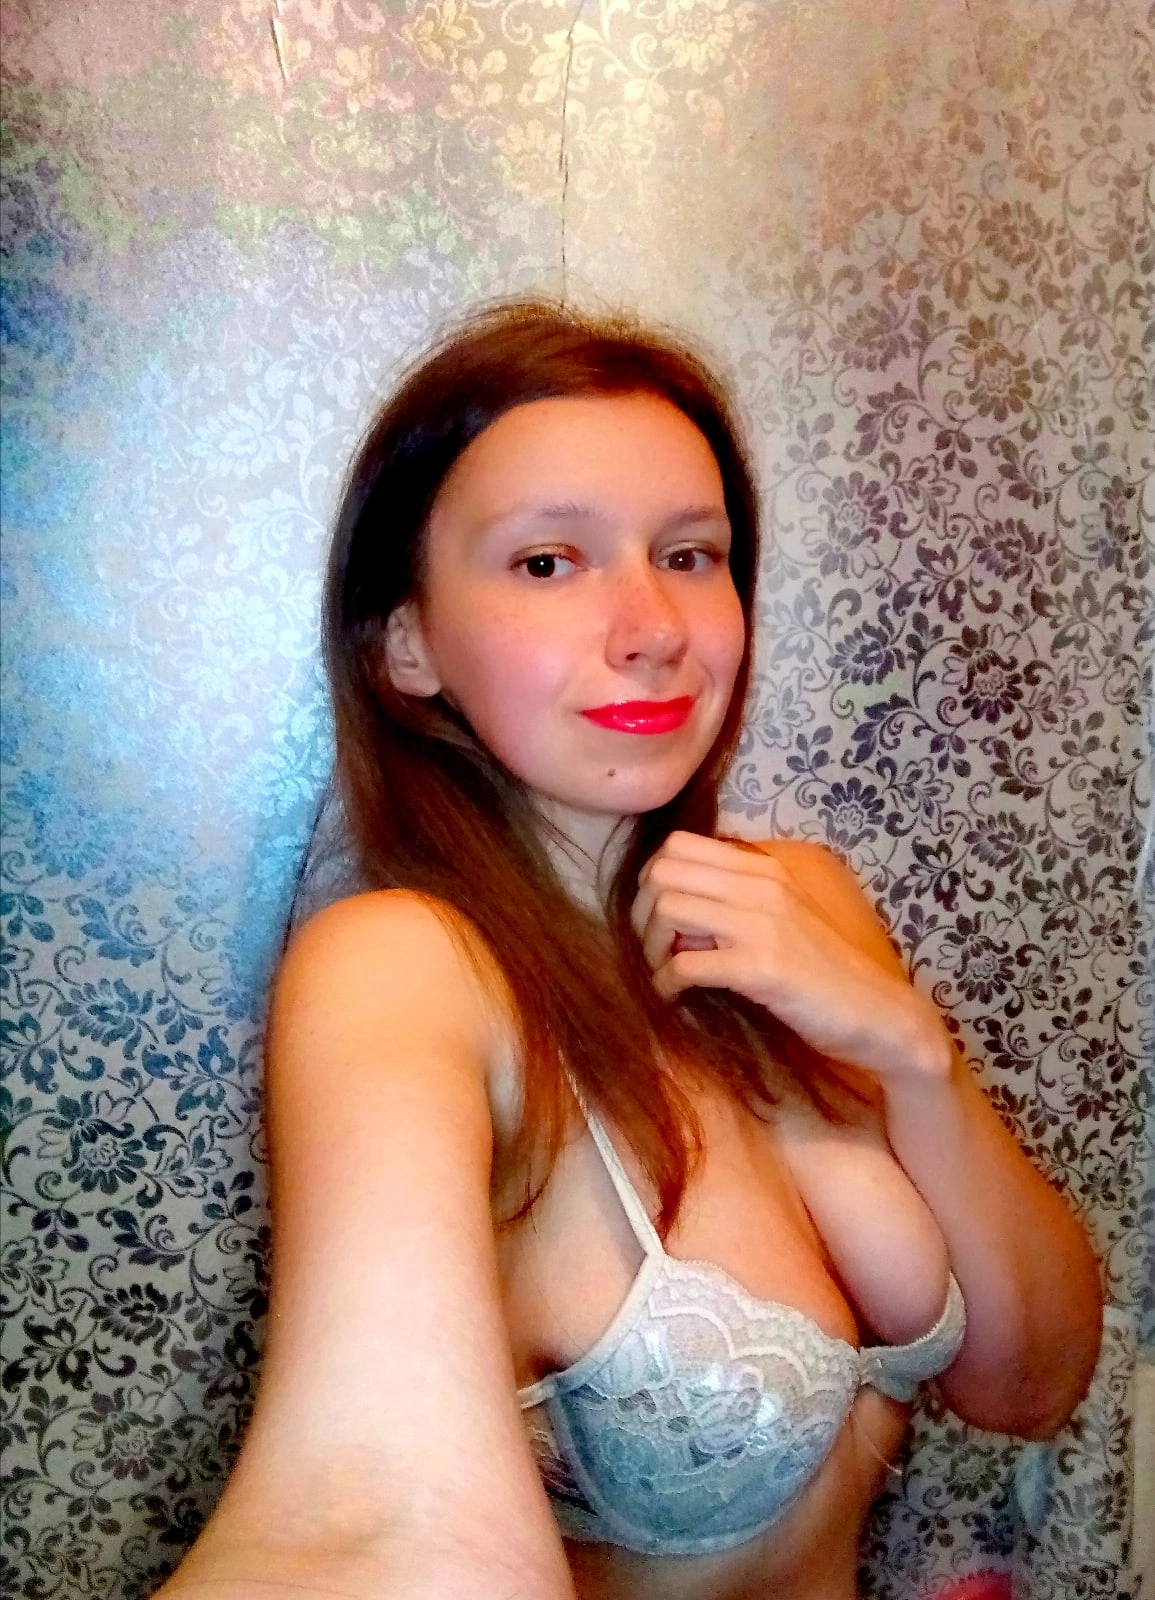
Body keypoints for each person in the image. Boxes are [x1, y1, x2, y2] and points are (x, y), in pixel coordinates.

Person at [155, 298, 1102, 1600]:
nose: (653, 624)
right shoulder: (401, 972)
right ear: (407, 643)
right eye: (550, 562)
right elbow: (363, 1518)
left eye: (689, 553)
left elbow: (1031, 1387)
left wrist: (910, 1053)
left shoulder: (803, 904)